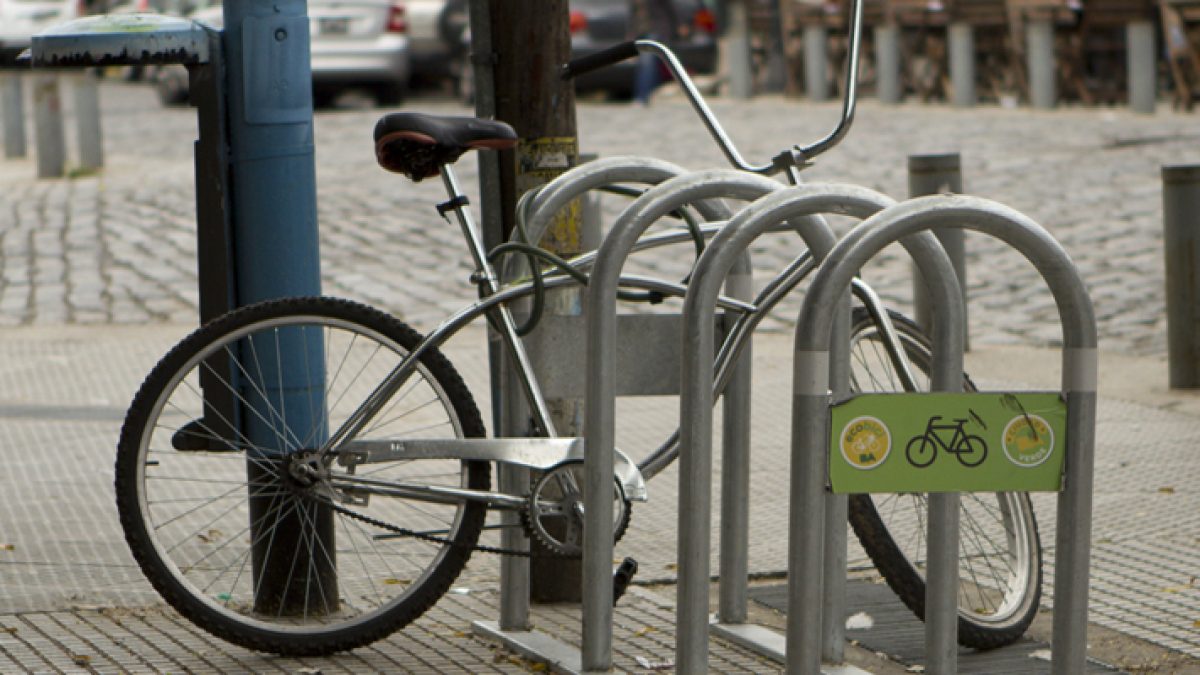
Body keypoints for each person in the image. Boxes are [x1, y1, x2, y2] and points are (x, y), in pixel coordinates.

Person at [629, 0, 681, 105]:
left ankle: (642, 97)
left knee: (647, 62)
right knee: (647, 65)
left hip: (657, 31)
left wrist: (680, 25)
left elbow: (671, 9)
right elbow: (633, 18)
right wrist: (630, 37)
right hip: (641, 34)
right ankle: (648, 95)